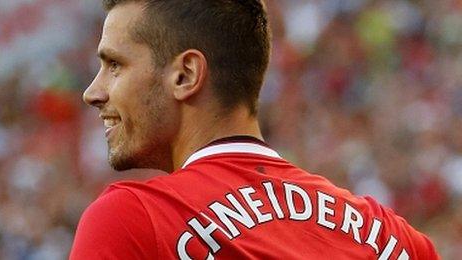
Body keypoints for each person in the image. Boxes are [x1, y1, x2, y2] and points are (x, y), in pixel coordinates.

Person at [71, 0, 439, 259]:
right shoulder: (394, 238)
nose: (93, 92)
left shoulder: (133, 221)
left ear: (185, 75)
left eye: (115, 65)